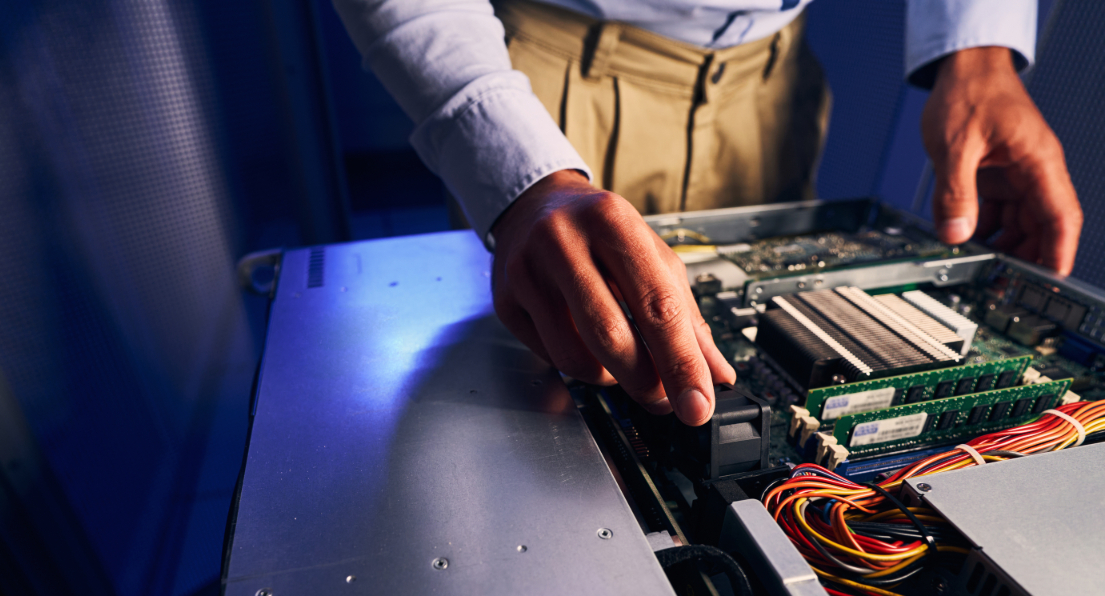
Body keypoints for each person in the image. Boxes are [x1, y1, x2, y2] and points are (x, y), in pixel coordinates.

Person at [333, 0, 1082, 427]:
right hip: (552, 79)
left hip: (772, 75)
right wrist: (523, 175)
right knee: (568, 395)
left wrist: (977, 47)